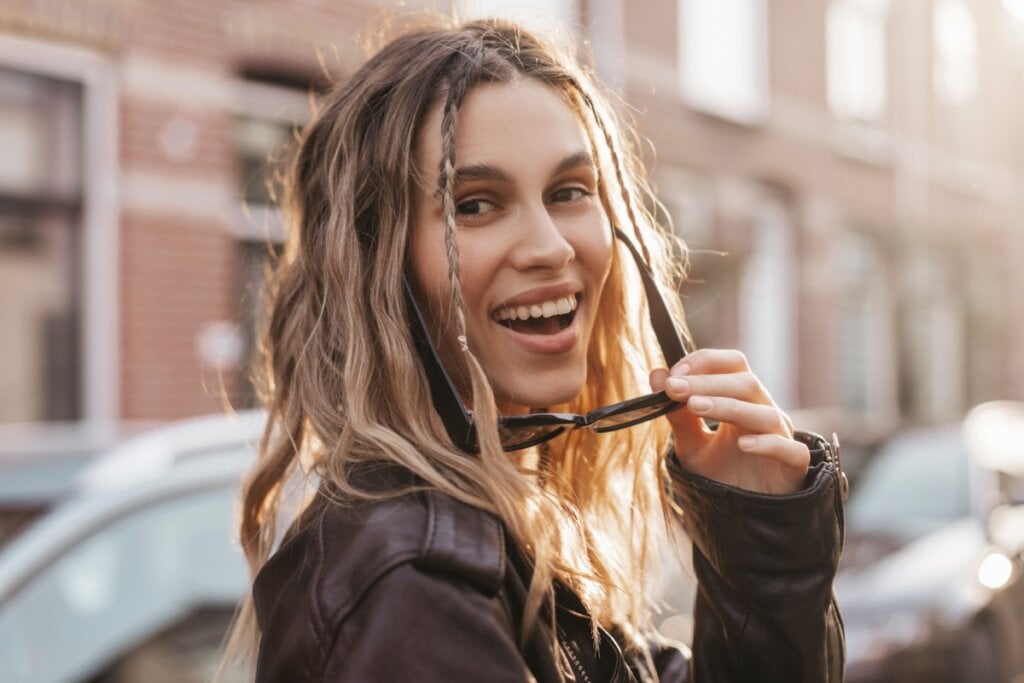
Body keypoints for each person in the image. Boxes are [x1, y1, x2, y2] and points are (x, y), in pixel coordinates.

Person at [226, 15, 846, 683]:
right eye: (476, 204)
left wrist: (759, 553)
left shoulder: (501, 540)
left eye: (569, 192)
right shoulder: (409, 588)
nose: (551, 244)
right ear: (378, 264)